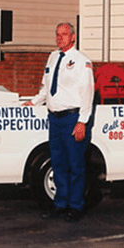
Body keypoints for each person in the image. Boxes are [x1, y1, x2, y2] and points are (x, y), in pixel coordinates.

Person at [23, 22, 94, 222]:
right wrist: (34, 101)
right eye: (57, 34)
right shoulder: (53, 57)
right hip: (54, 119)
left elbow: (87, 93)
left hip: (72, 118)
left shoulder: (82, 61)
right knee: (58, 163)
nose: (59, 38)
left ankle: (76, 206)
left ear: (73, 37)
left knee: (75, 165)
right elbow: (46, 88)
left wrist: (82, 122)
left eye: (64, 34)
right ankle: (60, 204)